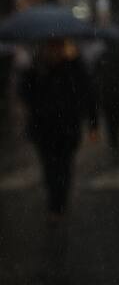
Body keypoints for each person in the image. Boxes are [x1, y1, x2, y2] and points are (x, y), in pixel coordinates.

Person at [18, 38, 98, 218]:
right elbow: (25, 94)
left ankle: (60, 201)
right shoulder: (36, 69)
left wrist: (93, 124)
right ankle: (55, 204)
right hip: (44, 130)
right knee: (49, 167)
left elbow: (88, 95)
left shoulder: (74, 68)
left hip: (67, 129)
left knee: (64, 166)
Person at [94, 39, 119, 166]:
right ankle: (118, 150)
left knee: (112, 128)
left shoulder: (102, 58)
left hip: (108, 98)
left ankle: (116, 150)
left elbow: (96, 77)